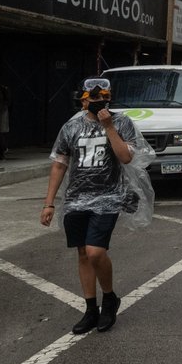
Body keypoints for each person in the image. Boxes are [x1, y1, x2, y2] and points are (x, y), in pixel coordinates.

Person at [40, 77, 148, 335]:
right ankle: (90, 308)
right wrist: (49, 203)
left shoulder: (121, 122)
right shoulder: (71, 126)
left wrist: (108, 126)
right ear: (83, 99)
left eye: (103, 98)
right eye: (93, 98)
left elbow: (125, 157)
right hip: (77, 197)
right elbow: (59, 164)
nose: (98, 102)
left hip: (108, 196)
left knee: (95, 252)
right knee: (82, 253)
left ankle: (109, 297)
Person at [0, 83, 11, 159]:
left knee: (0, 133)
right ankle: (1, 150)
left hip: (1, 113)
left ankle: (2, 149)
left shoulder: (3, 91)